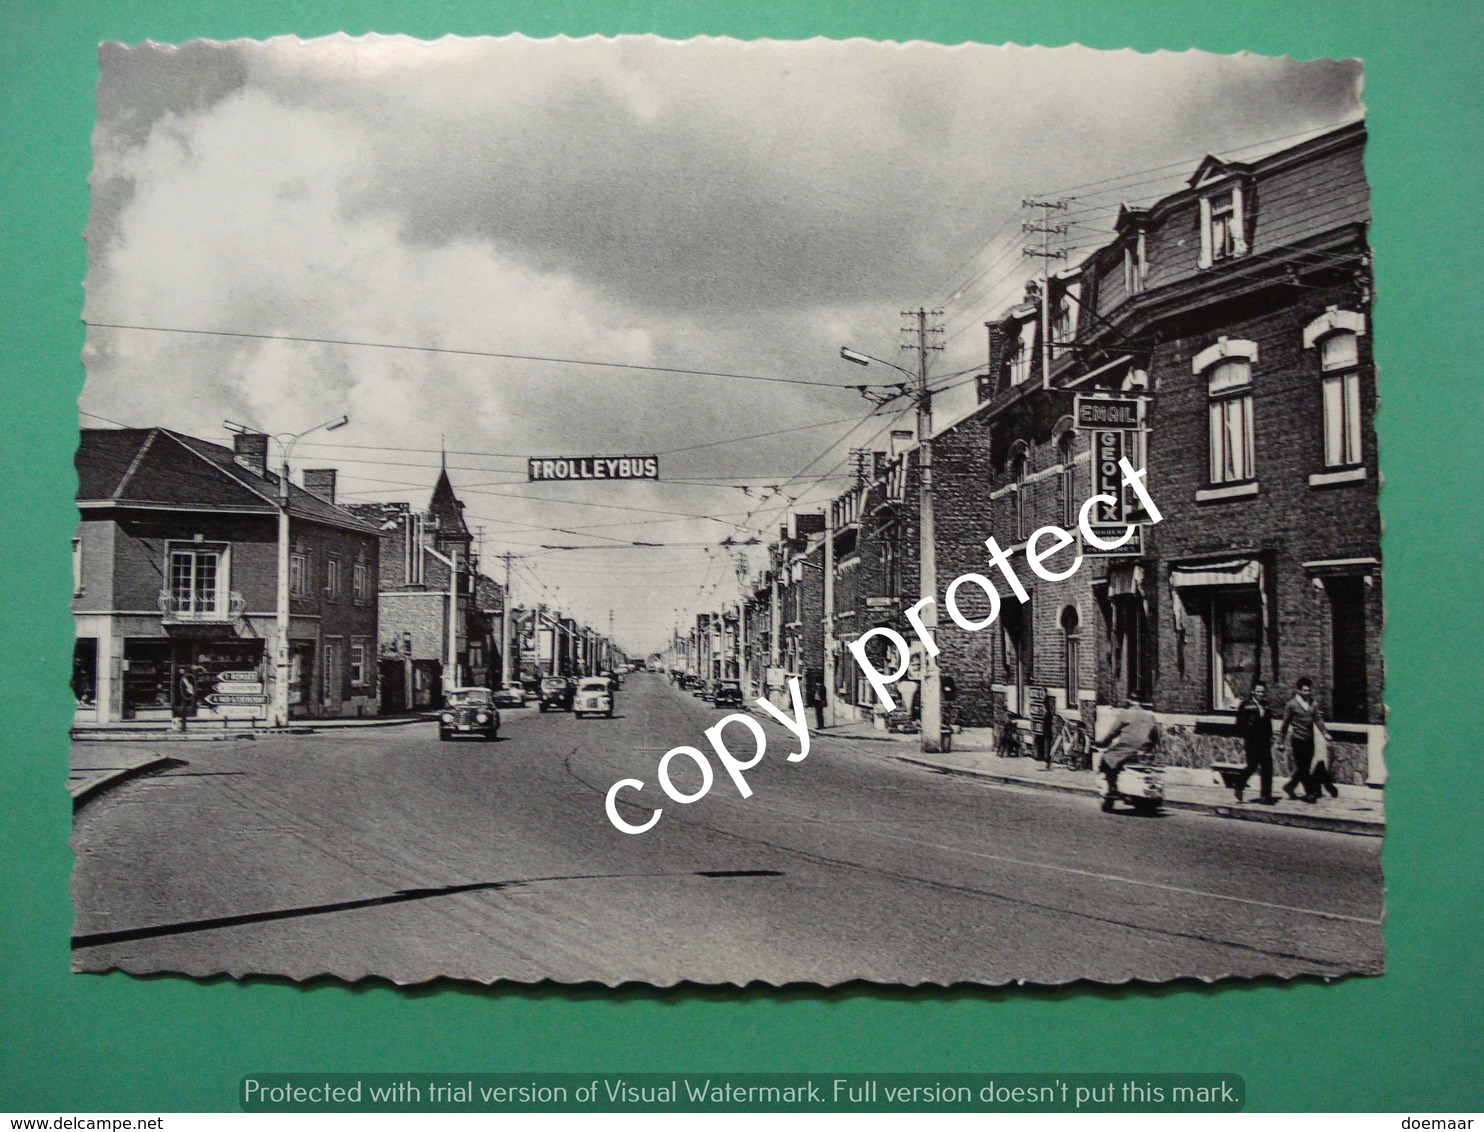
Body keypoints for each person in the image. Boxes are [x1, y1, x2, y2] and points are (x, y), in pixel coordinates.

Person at [1096, 697, 1162, 812]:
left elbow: (1113, 732)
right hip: (1144, 750)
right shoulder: (1149, 716)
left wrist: (1103, 742)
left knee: (1107, 759)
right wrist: (1151, 747)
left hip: (1127, 748)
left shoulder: (1125, 714)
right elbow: (1156, 735)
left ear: (1128, 702)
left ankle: (1112, 788)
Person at [1278, 677, 1333, 803]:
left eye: (1309, 691)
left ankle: (1289, 786)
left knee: (1304, 767)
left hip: (1309, 740)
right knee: (1303, 768)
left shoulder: (1312, 703)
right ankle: (1310, 793)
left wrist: (1325, 733)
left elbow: (1318, 719)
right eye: (1305, 691)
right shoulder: (1291, 705)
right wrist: (1281, 741)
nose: (1307, 693)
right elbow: (1285, 724)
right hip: (1298, 740)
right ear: (1298, 690)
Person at [1233, 681, 1277, 804]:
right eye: (1258, 691)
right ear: (1253, 692)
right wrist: (1247, 733)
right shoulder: (1246, 705)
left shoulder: (1266, 706)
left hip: (1264, 741)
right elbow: (1239, 724)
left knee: (1267, 768)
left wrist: (1270, 737)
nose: (1261, 694)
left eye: (1263, 692)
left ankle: (1265, 796)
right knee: (1252, 766)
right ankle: (1239, 783)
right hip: (1252, 741)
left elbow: (1268, 723)